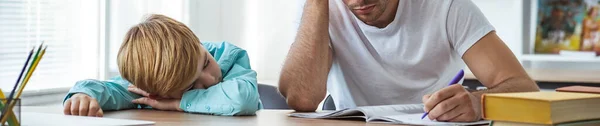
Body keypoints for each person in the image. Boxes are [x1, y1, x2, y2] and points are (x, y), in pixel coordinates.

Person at [279, 0, 539, 122]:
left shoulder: (447, 6)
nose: (358, 0)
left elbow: (524, 88)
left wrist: (478, 101)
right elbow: (301, 98)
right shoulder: (321, 11)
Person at [62, 14, 262, 117]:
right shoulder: (156, 82)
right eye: (191, 87)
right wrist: (84, 95)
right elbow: (110, 89)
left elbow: (242, 99)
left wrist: (179, 102)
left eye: (206, 63)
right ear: (154, 94)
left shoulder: (230, 56)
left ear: (197, 41)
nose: (210, 80)